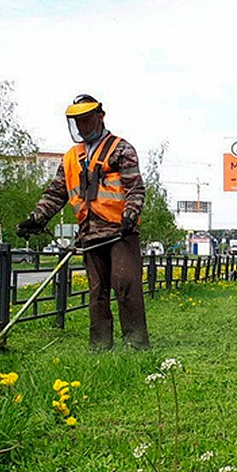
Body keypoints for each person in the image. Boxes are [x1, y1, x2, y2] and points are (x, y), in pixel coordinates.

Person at [17, 95, 150, 350]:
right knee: (96, 293)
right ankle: (100, 347)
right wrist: (37, 218)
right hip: (89, 234)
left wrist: (130, 215)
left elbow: (135, 188)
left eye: (87, 120)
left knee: (126, 287)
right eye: (78, 122)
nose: (82, 126)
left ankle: (136, 347)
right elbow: (56, 192)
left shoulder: (121, 149)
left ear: (100, 117)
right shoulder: (69, 158)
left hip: (120, 231)